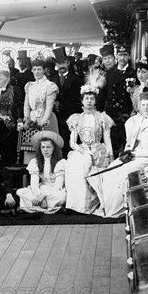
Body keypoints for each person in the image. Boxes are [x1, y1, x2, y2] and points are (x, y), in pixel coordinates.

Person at [88, 92, 148, 218]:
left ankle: (116, 210)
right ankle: (106, 205)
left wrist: (137, 154)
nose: (145, 108)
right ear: (139, 105)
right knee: (107, 172)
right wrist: (128, 153)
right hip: (133, 157)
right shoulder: (134, 121)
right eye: (143, 105)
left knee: (120, 174)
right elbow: (130, 143)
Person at [64, 85, 114, 214]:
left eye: (92, 98)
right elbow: (72, 142)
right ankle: (77, 205)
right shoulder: (76, 118)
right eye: (86, 98)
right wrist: (82, 151)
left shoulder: (102, 117)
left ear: (95, 100)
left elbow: (107, 138)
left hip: (98, 150)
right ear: (82, 101)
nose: (89, 101)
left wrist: (111, 153)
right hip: (83, 150)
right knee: (74, 166)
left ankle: (96, 204)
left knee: (93, 171)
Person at [18, 58, 60, 162]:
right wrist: (26, 119)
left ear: (44, 70)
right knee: (31, 148)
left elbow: (49, 106)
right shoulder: (30, 85)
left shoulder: (50, 85)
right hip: (32, 119)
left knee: (47, 147)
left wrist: (44, 121)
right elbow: (26, 105)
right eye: (34, 69)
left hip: (47, 119)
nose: (36, 72)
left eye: (39, 69)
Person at [16, 131, 67, 214]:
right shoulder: (35, 162)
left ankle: (35, 207)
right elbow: (34, 184)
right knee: (21, 192)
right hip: (40, 189)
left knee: (62, 196)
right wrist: (39, 195)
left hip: (54, 191)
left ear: (54, 148)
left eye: (48, 147)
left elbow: (58, 186)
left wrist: (44, 196)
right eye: (43, 147)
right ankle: (50, 207)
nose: (45, 150)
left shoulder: (60, 163)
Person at [49, 47, 83, 157]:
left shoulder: (77, 79)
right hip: (55, 119)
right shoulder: (51, 80)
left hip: (71, 118)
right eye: (59, 63)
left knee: (69, 145)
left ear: (68, 62)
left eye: (63, 62)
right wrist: (53, 103)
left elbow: (80, 100)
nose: (61, 66)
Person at [99, 44, 133, 153]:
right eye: (120, 55)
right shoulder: (108, 73)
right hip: (111, 113)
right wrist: (101, 112)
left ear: (129, 56)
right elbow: (102, 95)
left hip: (127, 113)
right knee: (112, 142)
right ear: (116, 56)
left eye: (125, 55)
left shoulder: (133, 73)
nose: (122, 58)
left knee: (127, 141)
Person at [0, 68, 24, 165]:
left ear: (7, 79)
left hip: (11, 126)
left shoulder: (14, 90)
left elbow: (19, 106)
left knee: (10, 151)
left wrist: (19, 120)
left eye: (0, 79)